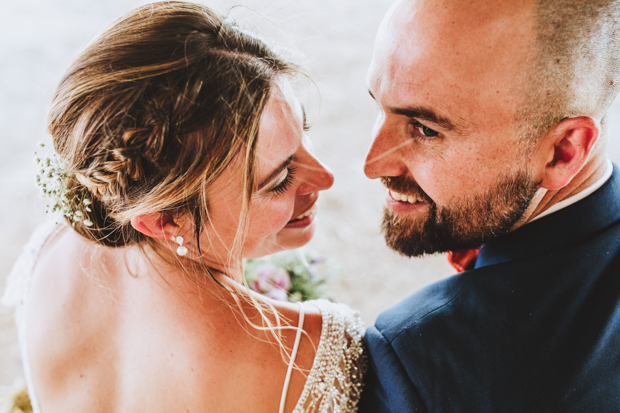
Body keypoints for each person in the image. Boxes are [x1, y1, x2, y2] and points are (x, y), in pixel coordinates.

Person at [1, 2, 366, 412]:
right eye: (279, 179)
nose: (326, 177)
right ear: (162, 220)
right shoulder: (306, 351)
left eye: (304, 134)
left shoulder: (53, 244)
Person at [359, 0, 620, 411]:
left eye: (425, 129)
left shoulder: (424, 363)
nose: (372, 164)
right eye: (379, 105)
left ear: (562, 152)